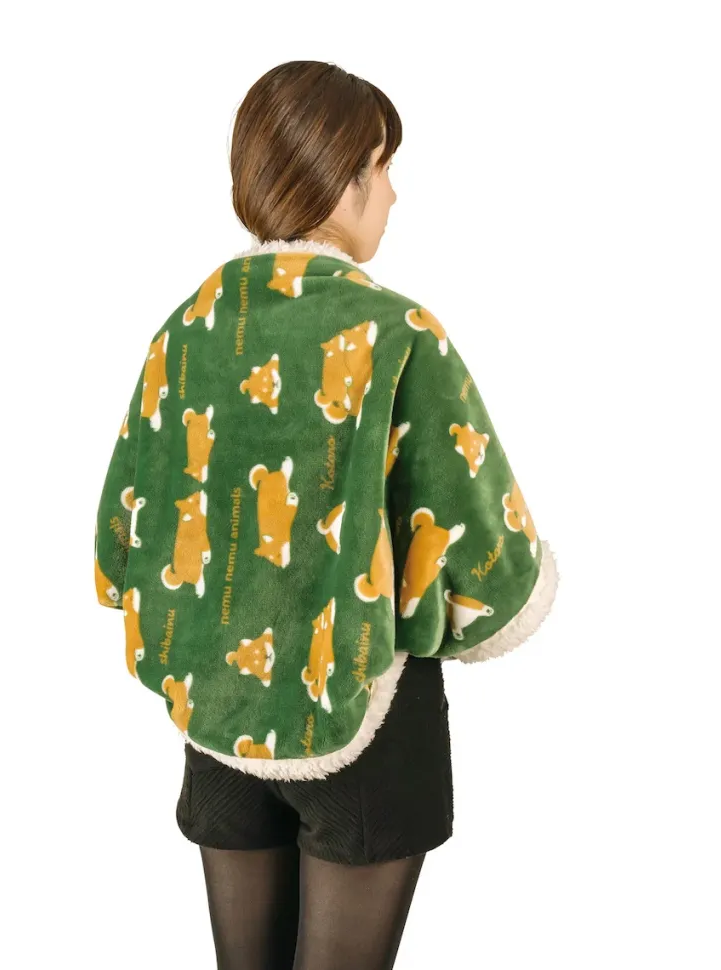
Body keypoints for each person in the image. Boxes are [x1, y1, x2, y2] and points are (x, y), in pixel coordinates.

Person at [93, 60, 558, 970]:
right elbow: (490, 559)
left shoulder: (185, 331)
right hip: (364, 723)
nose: (394, 192)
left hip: (220, 721)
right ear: (342, 178)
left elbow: (121, 543)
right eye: (382, 166)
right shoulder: (397, 332)